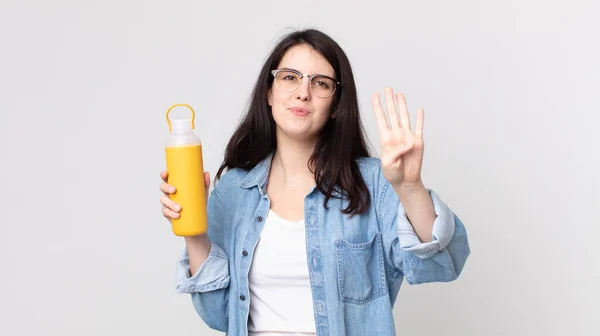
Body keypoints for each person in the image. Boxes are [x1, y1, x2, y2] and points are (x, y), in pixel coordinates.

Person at [159, 28, 470, 336]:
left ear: (335, 106)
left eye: (320, 83)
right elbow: (219, 314)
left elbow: (441, 264)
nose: (303, 92)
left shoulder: (373, 183)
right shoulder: (233, 191)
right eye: (290, 77)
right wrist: (195, 234)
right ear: (269, 92)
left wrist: (410, 186)